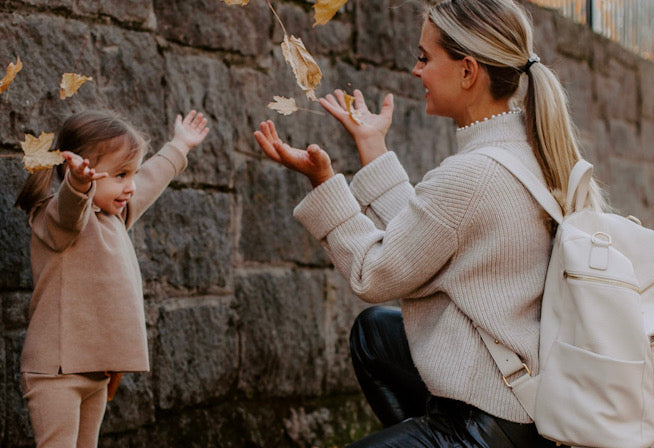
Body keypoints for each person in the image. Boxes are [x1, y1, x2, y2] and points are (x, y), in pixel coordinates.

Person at [254, 0, 607, 446]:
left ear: (467, 71)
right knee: (375, 333)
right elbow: (427, 236)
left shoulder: (473, 174)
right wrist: (372, 146)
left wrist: (323, 182)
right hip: (527, 398)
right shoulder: (526, 148)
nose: (416, 70)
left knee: (375, 318)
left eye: (425, 57)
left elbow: (375, 271)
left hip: (489, 420)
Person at [14, 109, 209, 447]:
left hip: (96, 372)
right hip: (56, 373)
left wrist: (179, 146)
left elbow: (150, 180)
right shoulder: (54, 218)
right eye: (120, 175)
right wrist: (78, 183)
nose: (130, 186)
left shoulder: (114, 217)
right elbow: (70, 209)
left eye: (131, 174)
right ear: (83, 170)